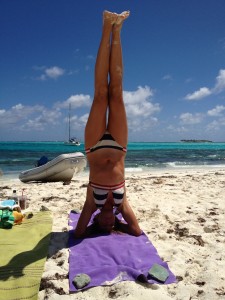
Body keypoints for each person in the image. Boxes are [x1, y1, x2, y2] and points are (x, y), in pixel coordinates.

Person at [74, 10, 142, 238]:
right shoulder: (122, 207)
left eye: (101, 225)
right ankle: (118, 30)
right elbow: (136, 230)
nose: (106, 222)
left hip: (94, 147)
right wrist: (120, 226)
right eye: (109, 225)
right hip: (119, 147)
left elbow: (80, 232)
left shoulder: (91, 204)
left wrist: (92, 227)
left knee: (101, 94)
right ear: (114, 221)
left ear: (97, 220)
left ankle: (106, 27)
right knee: (117, 92)